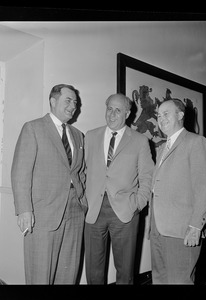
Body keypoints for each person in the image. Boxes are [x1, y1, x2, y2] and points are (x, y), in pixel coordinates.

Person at [11, 84, 87, 284]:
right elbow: (20, 172)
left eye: (75, 103)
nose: (73, 106)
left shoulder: (78, 135)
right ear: (53, 101)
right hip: (43, 213)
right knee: (40, 275)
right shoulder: (33, 128)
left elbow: (80, 172)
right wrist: (24, 210)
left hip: (74, 211)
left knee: (68, 274)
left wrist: (82, 200)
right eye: (68, 101)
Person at [84, 93, 154, 284]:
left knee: (124, 272)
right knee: (93, 271)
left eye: (118, 110)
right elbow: (82, 171)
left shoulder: (140, 141)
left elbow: (148, 176)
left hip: (125, 212)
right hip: (94, 211)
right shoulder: (91, 136)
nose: (112, 114)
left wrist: (138, 204)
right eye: (109, 109)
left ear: (128, 114)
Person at [149, 99, 206, 284]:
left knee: (179, 281)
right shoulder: (162, 147)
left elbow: (204, 187)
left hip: (181, 229)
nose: (161, 119)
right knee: (160, 279)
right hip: (158, 228)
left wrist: (195, 226)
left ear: (180, 115)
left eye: (166, 114)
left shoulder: (196, 142)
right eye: (159, 116)